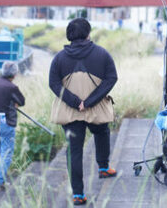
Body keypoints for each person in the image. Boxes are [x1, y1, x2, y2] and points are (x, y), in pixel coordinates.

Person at [49, 18, 118, 206]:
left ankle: (78, 194)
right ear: (88, 33)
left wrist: (74, 102)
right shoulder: (102, 54)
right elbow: (112, 78)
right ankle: (103, 167)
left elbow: (53, 83)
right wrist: (89, 102)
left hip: (70, 112)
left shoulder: (59, 58)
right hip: (95, 109)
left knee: (74, 151)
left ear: (69, 35)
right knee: (102, 133)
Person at [0, 61, 25, 192]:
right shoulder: (11, 87)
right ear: (14, 74)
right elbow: (22, 101)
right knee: (7, 152)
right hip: (6, 124)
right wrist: (15, 103)